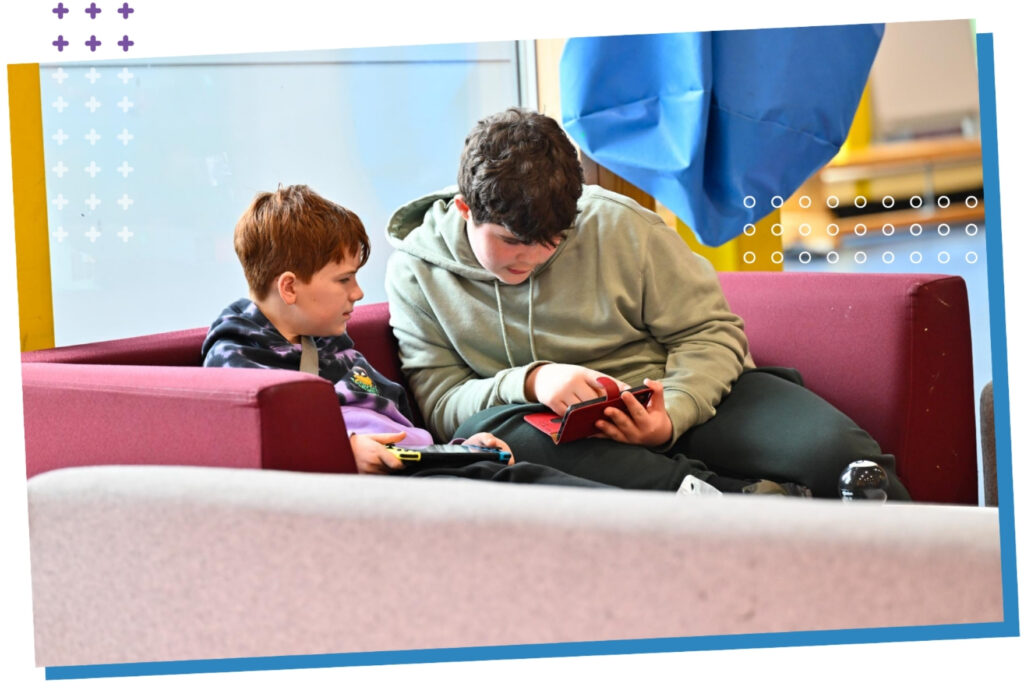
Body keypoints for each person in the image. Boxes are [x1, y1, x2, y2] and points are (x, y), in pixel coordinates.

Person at [384, 107, 911, 500]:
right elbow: (441, 404)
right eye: (510, 242)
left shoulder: (619, 224)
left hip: (681, 396)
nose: (531, 258)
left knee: (842, 454)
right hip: (549, 429)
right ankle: (736, 500)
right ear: (463, 209)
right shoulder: (414, 272)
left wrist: (673, 412)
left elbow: (711, 333)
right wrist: (530, 380)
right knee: (492, 442)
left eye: (551, 241)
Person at [201, 183, 606, 487]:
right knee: (535, 493)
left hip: (424, 460)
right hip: (395, 481)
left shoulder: (328, 341)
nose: (357, 293)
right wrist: (341, 451)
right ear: (289, 287)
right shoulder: (239, 360)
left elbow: (399, 420)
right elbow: (254, 442)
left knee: (541, 482)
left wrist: (459, 447)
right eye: (343, 279)